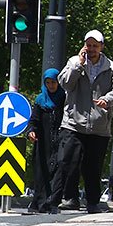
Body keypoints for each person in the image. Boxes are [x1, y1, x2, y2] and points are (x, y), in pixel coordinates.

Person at [47, 30, 113, 214]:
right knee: (67, 162)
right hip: (73, 124)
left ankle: (92, 203)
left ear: (101, 47)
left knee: (93, 168)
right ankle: (67, 199)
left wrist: (107, 100)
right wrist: (78, 66)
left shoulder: (111, 68)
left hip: (99, 127)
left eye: (95, 46)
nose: (91, 49)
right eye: (88, 45)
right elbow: (65, 83)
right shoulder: (74, 62)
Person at [25, 68, 65, 214]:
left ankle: (53, 202)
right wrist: (31, 131)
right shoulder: (40, 100)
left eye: (53, 82)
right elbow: (33, 120)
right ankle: (39, 202)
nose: (51, 85)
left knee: (58, 171)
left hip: (60, 141)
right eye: (48, 83)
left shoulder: (64, 99)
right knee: (41, 172)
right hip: (43, 143)